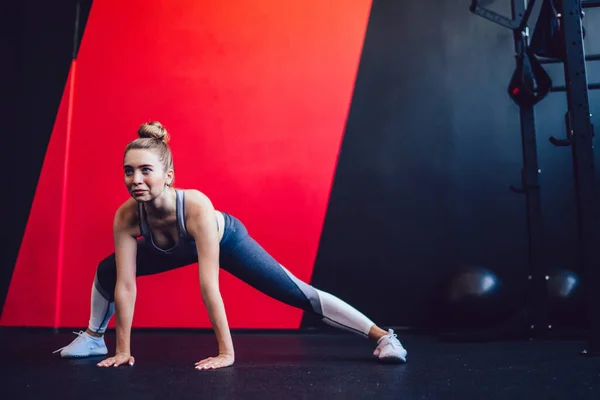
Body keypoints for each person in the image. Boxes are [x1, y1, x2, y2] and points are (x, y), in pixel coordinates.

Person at [53, 121, 407, 370]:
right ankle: (94, 336)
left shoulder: (195, 206)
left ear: (169, 176)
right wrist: (123, 350)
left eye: (146, 170)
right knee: (108, 269)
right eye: (128, 171)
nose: (136, 179)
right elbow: (126, 286)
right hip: (177, 246)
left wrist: (226, 353)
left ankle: (383, 336)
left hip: (226, 239)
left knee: (298, 293)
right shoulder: (127, 217)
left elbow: (209, 285)